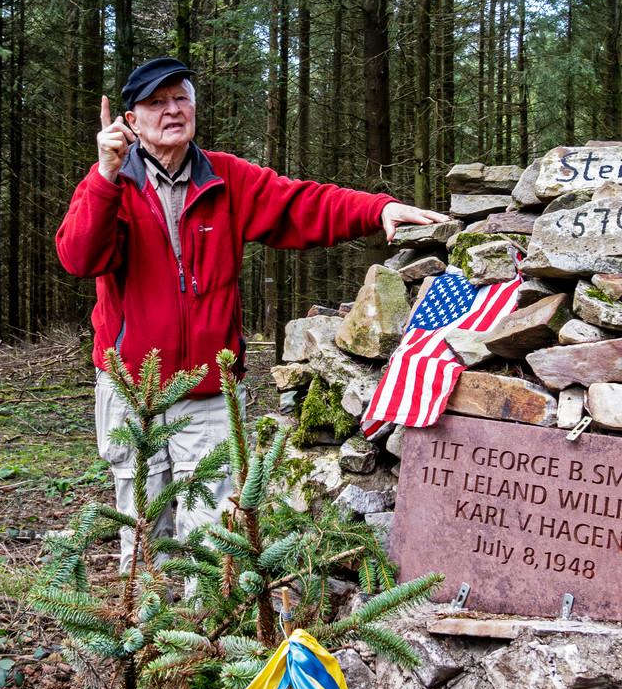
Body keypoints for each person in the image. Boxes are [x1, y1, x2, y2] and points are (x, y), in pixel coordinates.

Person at [55, 57, 448, 572]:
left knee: (216, 537)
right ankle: (145, 641)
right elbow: (79, 258)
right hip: (133, 391)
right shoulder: (112, 186)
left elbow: (301, 204)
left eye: (181, 98)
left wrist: (377, 210)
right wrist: (104, 177)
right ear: (130, 120)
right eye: (156, 102)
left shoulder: (225, 177)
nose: (173, 110)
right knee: (143, 529)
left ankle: (206, 645)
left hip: (211, 392)